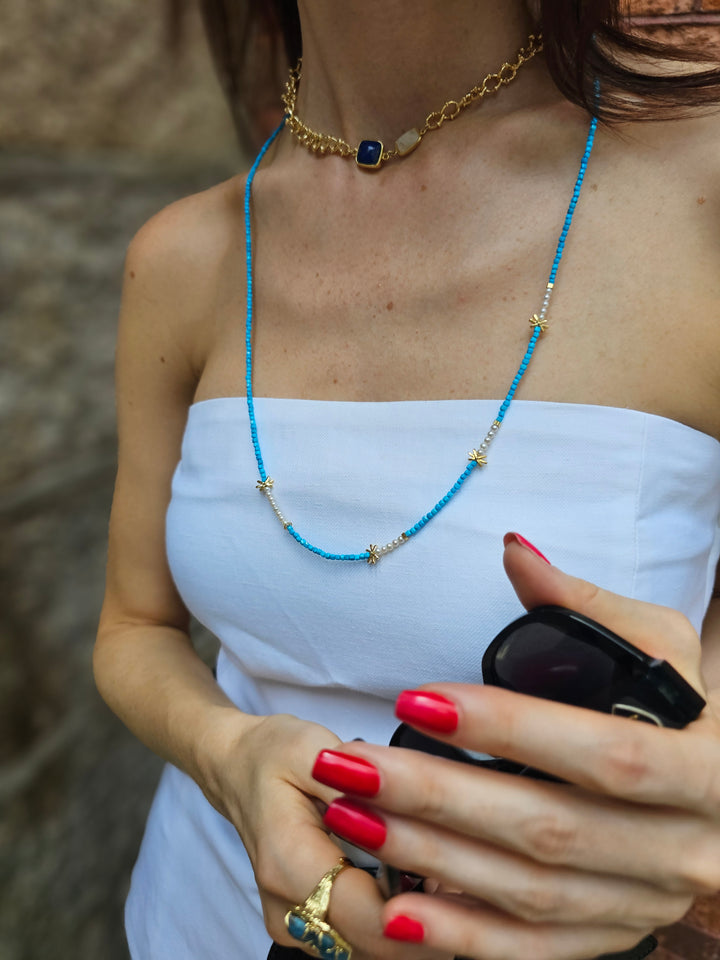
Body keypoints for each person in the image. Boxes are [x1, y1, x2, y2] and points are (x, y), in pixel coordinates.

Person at [93, 1, 720, 958]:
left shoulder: (697, 192)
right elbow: (133, 627)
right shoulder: (185, 254)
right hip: (189, 919)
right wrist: (228, 756)